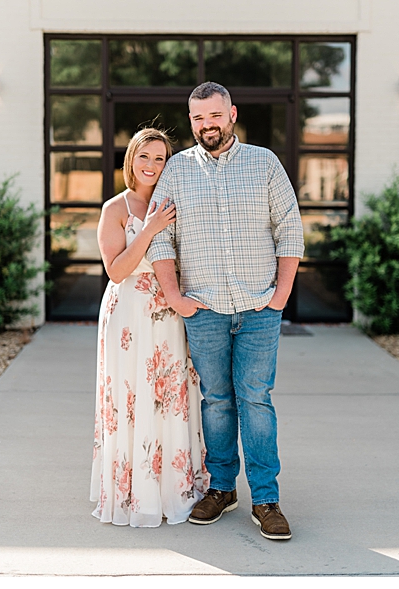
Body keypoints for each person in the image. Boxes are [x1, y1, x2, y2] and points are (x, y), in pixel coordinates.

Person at [147, 82, 304, 541]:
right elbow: (161, 238)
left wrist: (281, 295)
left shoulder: (265, 163)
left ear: (231, 113)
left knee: (255, 398)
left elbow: (289, 229)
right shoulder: (175, 170)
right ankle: (220, 488)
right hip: (206, 309)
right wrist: (176, 297)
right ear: (191, 120)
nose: (206, 125)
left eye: (214, 116)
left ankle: (266, 498)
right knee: (216, 401)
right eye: (198, 118)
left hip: (259, 306)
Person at [90, 127, 208, 527]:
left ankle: (175, 488)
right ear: (131, 160)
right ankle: (133, 492)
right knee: (131, 397)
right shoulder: (115, 208)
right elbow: (117, 269)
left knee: (171, 395)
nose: (152, 166)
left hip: (169, 313)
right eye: (145, 157)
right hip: (129, 314)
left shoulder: (176, 201)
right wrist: (151, 229)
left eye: (160, 159)